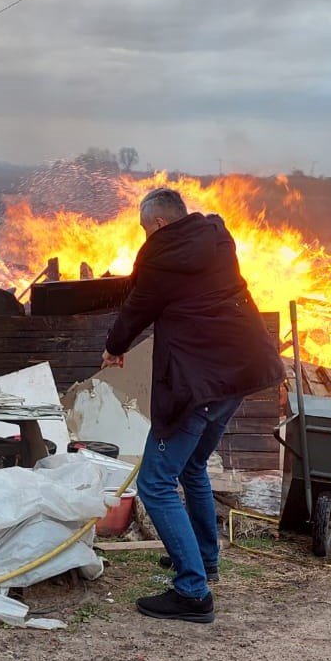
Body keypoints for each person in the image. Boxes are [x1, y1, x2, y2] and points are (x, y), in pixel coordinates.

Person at [102, 187, 283, 623]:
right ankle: (205, 559)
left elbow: (137, 306)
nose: (145, 236)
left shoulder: (160, 254)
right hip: (242, 371)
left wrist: (114, 347)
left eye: (146, 228)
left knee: (155, 482)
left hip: (202, 382)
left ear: (160, 224)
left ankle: (192, 591)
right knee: (193, 467)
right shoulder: (216, 237)